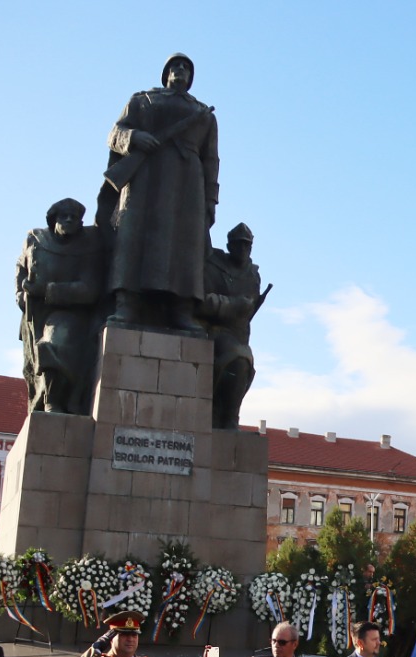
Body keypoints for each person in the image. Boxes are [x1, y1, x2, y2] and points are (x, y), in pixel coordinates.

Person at [99, 53, 219, 333]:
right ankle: (126, 303)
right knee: (133, 237)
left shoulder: (204, 114)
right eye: (175, 66)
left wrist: (211, 200)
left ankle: (182, 309)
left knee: (185, 247)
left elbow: (211, 160)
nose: (180, 70)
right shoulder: (142, 100)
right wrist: (134, 138)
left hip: (187, 185)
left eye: (186, 67)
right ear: (165, 73)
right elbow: (115, 133)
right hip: (145, 180)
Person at [15, 196, 103, 413]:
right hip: (37, 313)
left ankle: (53, 400)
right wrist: (19, 292)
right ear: (53, 220)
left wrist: (47, 290)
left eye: (74, 217)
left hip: (70, 312)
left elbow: (89, 289)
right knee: (37, 354)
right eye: (64, 217)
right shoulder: (35, 239)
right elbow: (21, 267)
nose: (69, 221)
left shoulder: (88, 247)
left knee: (55, 341)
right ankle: (45, 396)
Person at [200, 222, 264, 429]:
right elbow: (200, 301)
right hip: (213, 331)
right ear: (230, 246)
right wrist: (232, 305)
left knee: (243, 363)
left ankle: (229, 417)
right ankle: (226, 418)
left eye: (247, 246)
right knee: (238, 358)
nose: (243, 250)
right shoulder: (213, 266)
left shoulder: (253, 275)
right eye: (239, 245)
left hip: (239, 335)